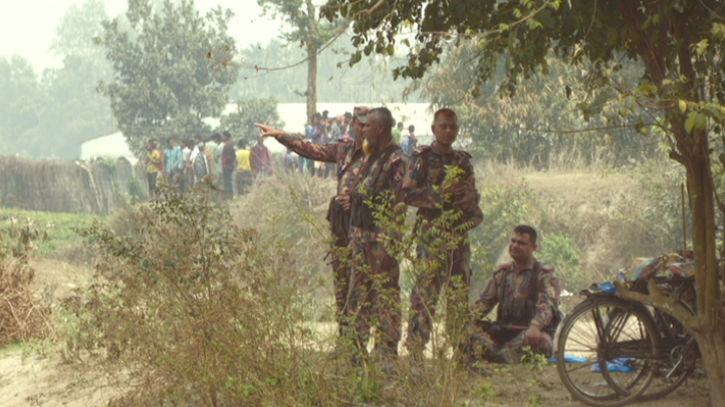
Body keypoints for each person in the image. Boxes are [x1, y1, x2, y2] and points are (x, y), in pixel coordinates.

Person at [255, 106, 369, 349]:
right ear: (353, 125)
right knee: (342, 283)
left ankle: (364, 345)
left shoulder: (382, 156)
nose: (365, 128)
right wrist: (280, 135)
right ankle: (345, 342)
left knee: (365, 287)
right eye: (361, 123)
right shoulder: (344, 150)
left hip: (369, 231)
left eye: (369, 124)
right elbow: (311, 149)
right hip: (342, 228)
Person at [403, 108, 484, 362]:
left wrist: (469, 204)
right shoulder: (422, 158)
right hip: (432, 240)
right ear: (434, 128)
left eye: (452, 126)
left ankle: (463, 357)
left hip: (459, 238)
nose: (448, 131)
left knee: (459, 298)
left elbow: (473, 195)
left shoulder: (463, 160)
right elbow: (406, 194)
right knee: (426, 297)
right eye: (443, 126)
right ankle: (415, 356)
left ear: (457, 129)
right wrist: (440, 195)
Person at [347, 107, 407, 363]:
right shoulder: (371, 156)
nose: (364, 130)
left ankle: (386, 350)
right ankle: (356, 348)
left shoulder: (396, 160)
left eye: (369, 126)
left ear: (380, 128)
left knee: (385, 294)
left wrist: (390, 238)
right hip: (362, 237)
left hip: (382, 240)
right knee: (359, 294)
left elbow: (399, 202)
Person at [468, 225, 561, 365]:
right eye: (513, 241)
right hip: (502, 335)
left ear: (534, 247)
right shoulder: (501, 274)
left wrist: (535, 326)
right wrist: (466, 319)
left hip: (529, 336)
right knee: (467, 333)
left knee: (542, 342)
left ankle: (497, 357)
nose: (515, 246)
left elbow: (547, 306)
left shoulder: (544, 274)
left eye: (522, 243)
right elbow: (484, 304)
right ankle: (499, 356)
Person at [221, 131, 237, 199]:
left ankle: (229, 196)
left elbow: (230, 157)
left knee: (228, 182)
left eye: (224, 136)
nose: (223, 137)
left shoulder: (228, 145)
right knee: (228, 181)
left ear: (227, 136)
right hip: (228, 165)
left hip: (227, 166)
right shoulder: (229, 144)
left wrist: (227, 161)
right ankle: (228, 195)